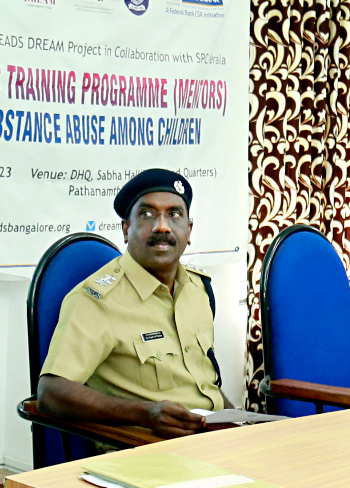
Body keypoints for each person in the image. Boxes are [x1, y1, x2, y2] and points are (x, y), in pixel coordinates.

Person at [36, 169, 223, 439]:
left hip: (214, 439)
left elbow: (204, 387)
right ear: (126, 229)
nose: (162, 226)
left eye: (174, 214)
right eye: (147, 214)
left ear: (189, 230)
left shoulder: (199, 289)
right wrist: (146, 414)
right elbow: (52, 393)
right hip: (146, 448)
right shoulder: (97, 299)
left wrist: (239, 423)